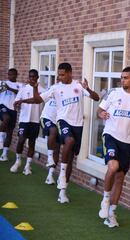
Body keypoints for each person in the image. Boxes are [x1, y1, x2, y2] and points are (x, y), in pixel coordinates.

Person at [14, 63, 100, 203]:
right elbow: (37, 100)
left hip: (78, 124)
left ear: (70, 73)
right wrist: (36, 89)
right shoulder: (55, 88)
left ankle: (63, 191)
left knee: (71, 157)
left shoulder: (78, 86)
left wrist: (88, 89)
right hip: (62, 121)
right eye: (58, 74)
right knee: (69, 141)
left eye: (62, 74)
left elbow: (96, 98)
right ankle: (61, 172)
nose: (59, 77)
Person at [98, 67, 130, 228]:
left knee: (120, 178)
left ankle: (112, 213)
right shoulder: (113, 93)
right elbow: (100, 110)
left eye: (126, 77)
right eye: (121, 77)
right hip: (110, 135)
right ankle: (105, 199)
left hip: (126, 142)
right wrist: (102, 114)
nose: (123, 80)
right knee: (113, 166)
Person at [10, 69, 45, 175]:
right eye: (30, 77)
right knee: (21, 140)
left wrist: (22, 101)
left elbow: (36, 100)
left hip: (35, 120)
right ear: (28, 77)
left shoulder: (42, 90)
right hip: (24, 120)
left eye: (34, 77)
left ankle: (28, 166)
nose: (32, 78)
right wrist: (16, 104)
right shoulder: (23, 89)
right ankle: (18, 161)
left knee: (32, 143)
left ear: (37, 77)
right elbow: (16, 101)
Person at [40, 77, 60, 185]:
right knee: (52, 130)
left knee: (57, 149)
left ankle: (50, 175)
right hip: (46, 118)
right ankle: (49, 157)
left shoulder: (68, 92)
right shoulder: (52, 88)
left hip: (59, 122)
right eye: (58, 79)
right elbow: (40, 97)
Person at [0, 68, 22, 162]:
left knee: (9, 132)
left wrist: (9, 89)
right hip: (2, 106)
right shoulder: (2, 83)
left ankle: (4, 154)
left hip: (13, 109)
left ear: (16, 75)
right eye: (9, 74)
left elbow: (19, 93)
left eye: (12, 74)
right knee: (6, 118)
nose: (10, 76)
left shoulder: (20, 85)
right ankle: (0, 140)